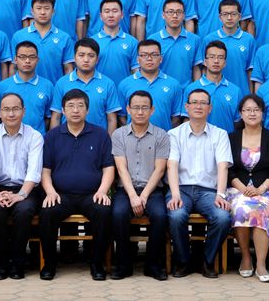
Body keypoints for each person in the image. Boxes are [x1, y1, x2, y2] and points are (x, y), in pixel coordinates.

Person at [39, 89, 114, 281]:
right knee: (47, 212)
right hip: (61, 194)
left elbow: (108, 168)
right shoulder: (52, 136)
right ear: (63, 110)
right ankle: (49, 264)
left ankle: (97, 264)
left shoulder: (100, 135)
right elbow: (45, 170)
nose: (75, 110)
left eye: (80, 106)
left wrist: (102, 191)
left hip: (91, 194)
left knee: (104, 211)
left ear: (87, 110)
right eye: (70, 106)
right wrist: (50, 192)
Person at [166, 89, 233, 279]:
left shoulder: (220, 134)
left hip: (208, 191)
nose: (198, 106)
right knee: (176, 215)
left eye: (203, 103)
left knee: (222, 217)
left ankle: (207, 260)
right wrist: (175, 194)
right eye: (194, 102)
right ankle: (183, 260)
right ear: (186, 107)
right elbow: (171, 165)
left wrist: (221, 194)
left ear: (210, 108)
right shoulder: (174, 134)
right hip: (181, 189)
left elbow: (223, 166)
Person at [0, 93, 43, 280]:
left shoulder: (35, 136)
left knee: (23, 211)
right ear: (0, 112)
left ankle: (18, 263)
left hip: (27, 188)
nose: (11, 114)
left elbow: (34, 171)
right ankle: (0, 264)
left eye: (15, 109)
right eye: (6, 109)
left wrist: (21, 195)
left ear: (23, 111)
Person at [111, 90, 170, 281]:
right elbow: (121, 168)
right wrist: (133, 196)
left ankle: (153, 265)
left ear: (152, 110)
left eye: (145, 107)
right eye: (135, 107)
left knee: (160, 215)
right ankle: (123, 264)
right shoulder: (118, 134)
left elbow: (160, 170)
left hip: (152, 190)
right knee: (118, 214)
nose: (140, 112)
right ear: (128, 109)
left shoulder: (161, 135)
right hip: (126, 189)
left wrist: (143, 196)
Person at [227, 94, 269, 283]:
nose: (252, 113)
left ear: (262, 113)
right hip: (238, 189)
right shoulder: (232, 137)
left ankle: (261, 263)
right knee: (240, 208)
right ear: (241, 113)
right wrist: (243, 188)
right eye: (248, 110)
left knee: (260, 209)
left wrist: (260, 189)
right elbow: (228, 169)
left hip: (265, 190)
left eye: (256, 110)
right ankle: (245, 257)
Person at [50, 38, 121, 133]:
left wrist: (108, 141)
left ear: (97, 59)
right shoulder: (62, 83)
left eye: (91, 56)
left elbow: (111, 119)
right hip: (67, 138)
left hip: (98, 139)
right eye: (81, 55)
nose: (86, 60)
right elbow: (56, 117)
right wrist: (54, 140)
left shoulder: (108, 84)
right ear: (74, 58)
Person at [117, 40, 184, 131]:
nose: (149, 58)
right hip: (133, 138)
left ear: (161, 58)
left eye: (154, 55)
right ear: (137, 59)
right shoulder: (125, 84)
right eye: (144, 55)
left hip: (164, 137)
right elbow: (122, 116)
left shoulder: (174, 84)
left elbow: (176, 118)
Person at [10, 0, 75, 85]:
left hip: (54, 88)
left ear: (53, 11)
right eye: (39, 8)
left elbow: (68, 68)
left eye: (47, 8)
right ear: (32, 11)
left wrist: (66, 89)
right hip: (23, 89)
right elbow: (13, 67)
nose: (43, 12)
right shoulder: (19, 36)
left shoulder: (64, 38)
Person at [182, 40, 241, 132]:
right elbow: (187, 119)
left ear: (225, 63)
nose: (216, 61)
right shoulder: (191, 89)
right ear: (205, 61)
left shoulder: (235, 91)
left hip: (227, 139)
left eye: (220, 57)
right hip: (198, 139)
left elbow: (237, 122)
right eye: (212, 57)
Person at [0, 41, 55, 135]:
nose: (27, 61)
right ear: (15, 59)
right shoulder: (3, 86)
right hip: (9, 138)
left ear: (37, 59)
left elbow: (48, 117)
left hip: (38, 139)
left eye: (32, 57)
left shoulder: (48, 86)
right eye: (22, 57)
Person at [203, 0, 256, 98]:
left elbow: (250, 71)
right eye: (225, 14)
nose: (229, 17)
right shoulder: (208, 39)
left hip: (242, 93)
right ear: (220, 17)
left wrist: (251, 95)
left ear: (239, 16)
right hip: (214, 94)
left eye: (233, 14)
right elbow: (205, 69)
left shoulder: (249, 39)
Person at [147, 0, 204, 86]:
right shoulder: (153, 40)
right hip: (161, 89)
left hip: (185, 90)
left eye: (179, 12)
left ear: (184, 15)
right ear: (163, 15)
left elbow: (196, 69)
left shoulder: (195, 40)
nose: (174, 16)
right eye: (170, 12)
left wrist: (196, 89)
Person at [91, 0, 139, 86]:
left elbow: (136, 72)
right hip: (98, 90)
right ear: (101, 16)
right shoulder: (92, 42)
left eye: (115, 11)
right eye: (107, 11)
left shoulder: (132, 42)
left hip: (124, 90)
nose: (111, 15)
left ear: (122, 15)